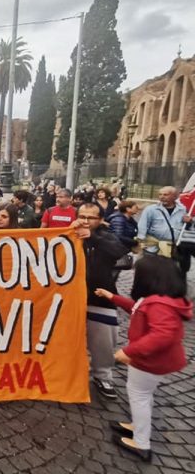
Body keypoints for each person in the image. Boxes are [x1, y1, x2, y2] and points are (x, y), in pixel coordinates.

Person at [95, 256, 192, 461]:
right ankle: (138, 427)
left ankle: (141, 443)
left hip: (150, 361)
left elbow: (163, 335)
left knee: (139, 396)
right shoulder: (159, 299)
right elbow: (136, 308)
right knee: (142, 396)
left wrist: (130, 352)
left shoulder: (160, 304)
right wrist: (112, 297)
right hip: (151, 360)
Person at [72, 203, 129, 399]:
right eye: (82, 216)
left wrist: (93, 238)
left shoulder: (106, 236)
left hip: (99, 297)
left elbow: (118, 251)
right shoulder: (69, 232)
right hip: (70, 297)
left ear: (101, 220)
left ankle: (102, 375)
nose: (86, 221)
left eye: (91, 218)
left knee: (103, 341)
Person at [137, 186, 191, 277]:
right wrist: (141, 242)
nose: (162, 197)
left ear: (175, 197)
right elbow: (142, 226)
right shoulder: (151, 209)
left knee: (169, 272)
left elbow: (187, 228)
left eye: (165, 195)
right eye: (160, 194)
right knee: (150, 271)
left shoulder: (183, 210)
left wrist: (189, 222)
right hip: (153, 247)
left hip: (172, 248)